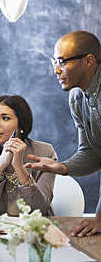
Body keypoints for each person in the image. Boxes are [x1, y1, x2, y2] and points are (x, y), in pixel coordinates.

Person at [25, 30, 101, 237]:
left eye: (62, 61)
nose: (57, 70)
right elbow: (93, 153)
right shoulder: (77, 97)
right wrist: (62, 167)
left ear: (89, 61)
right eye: (54, 62)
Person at [0, 95, 57, 216]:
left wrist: (18, 166)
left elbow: (39, 209)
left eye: (5, 118)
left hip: (34, 228)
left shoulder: (45, 152)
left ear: (21, 125)